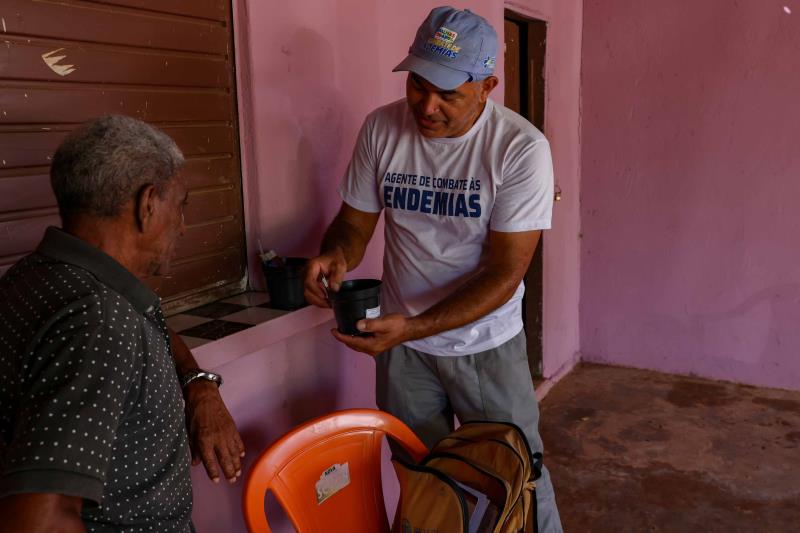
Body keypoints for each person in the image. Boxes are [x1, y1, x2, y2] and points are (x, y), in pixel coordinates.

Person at [304, 6, 562, 531]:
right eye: (418, 85)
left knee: (514, 476)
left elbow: (505, 273)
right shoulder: (381, 129)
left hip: (484, 346)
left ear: (487, 85)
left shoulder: (520, 150)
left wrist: (416, 326)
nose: (427, 105)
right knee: (423, 476)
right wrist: (337, 254)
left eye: (449, 93)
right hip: (404, 353)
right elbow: (354, 222)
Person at [0, 115, 245, 532]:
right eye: (180, 205)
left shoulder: (36, 277)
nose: (183, 226)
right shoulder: (99, 321)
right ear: (148, 203)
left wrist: (196, 382)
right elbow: (39, 521)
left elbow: (146, 319)